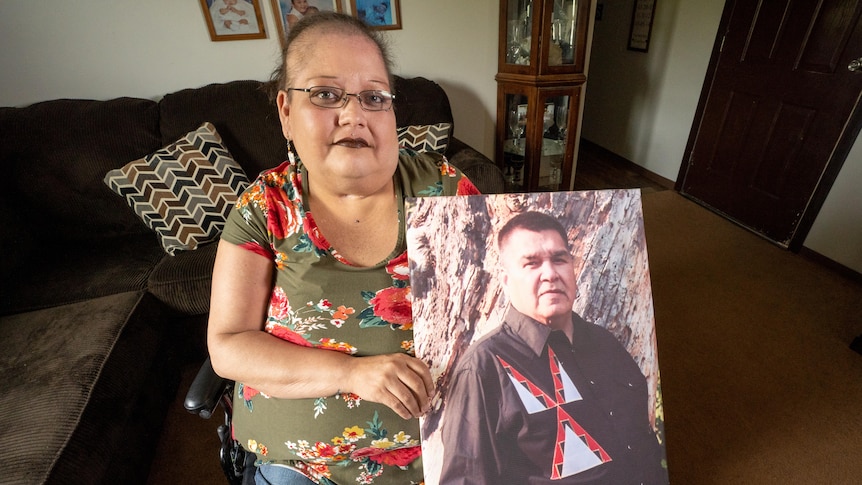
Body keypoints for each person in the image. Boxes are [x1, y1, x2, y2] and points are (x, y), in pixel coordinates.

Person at [207, 11, 479, 485]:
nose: (355, 115)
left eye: (374, 97)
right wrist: (352, 374)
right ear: (286, 112)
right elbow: (228, 347)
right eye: (326, 94)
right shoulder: (265, 206)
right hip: (304, 466)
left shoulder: (443, 188)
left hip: (446, 449)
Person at [439, 211, 666, 484]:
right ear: (506, 280)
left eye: (559, 259)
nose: (550, 274)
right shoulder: (483, 366)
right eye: (532, 263)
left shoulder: (606, 344)